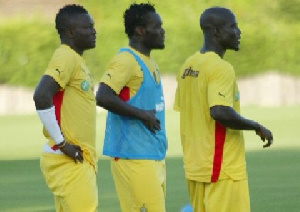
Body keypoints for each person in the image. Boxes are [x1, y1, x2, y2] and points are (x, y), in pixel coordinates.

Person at [174, 7, 273, 212]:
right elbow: (219, 111)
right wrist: (256, 126)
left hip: (195, 166)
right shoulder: (220, 68)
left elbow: (187, 109)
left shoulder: (187, 65)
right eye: (233, 26)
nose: (238, 32)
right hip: (222, 169)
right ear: (216, 31)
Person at [96, 3, 167, 212]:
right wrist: (142, 114)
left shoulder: (149, 61)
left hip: (153, 154)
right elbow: (103, 96)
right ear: (140, 30)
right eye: (157, 26)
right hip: (133, 156)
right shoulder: (126, 60)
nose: (162, 31)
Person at [33, 4, 98, 212]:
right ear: (70, 32)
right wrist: (62, 144)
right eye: (87, 27)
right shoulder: (66, 56)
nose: (94, 31)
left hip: (74, 158)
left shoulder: (76, 59)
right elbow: (42, 95)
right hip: (68, 158)